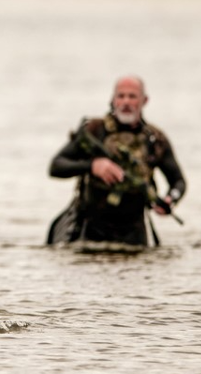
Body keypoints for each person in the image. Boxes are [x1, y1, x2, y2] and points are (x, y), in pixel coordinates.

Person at [47, 76, 186, 247]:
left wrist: (170, 200)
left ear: (144, 100)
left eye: (132, 96)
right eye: (121, 96)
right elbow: (56, 166)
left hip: (134, 230)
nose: (126, 102)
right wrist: (92, 166)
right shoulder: (94, 131)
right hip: (89, 226)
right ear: (113, 100)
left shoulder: (155, 140)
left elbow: (178, 182)